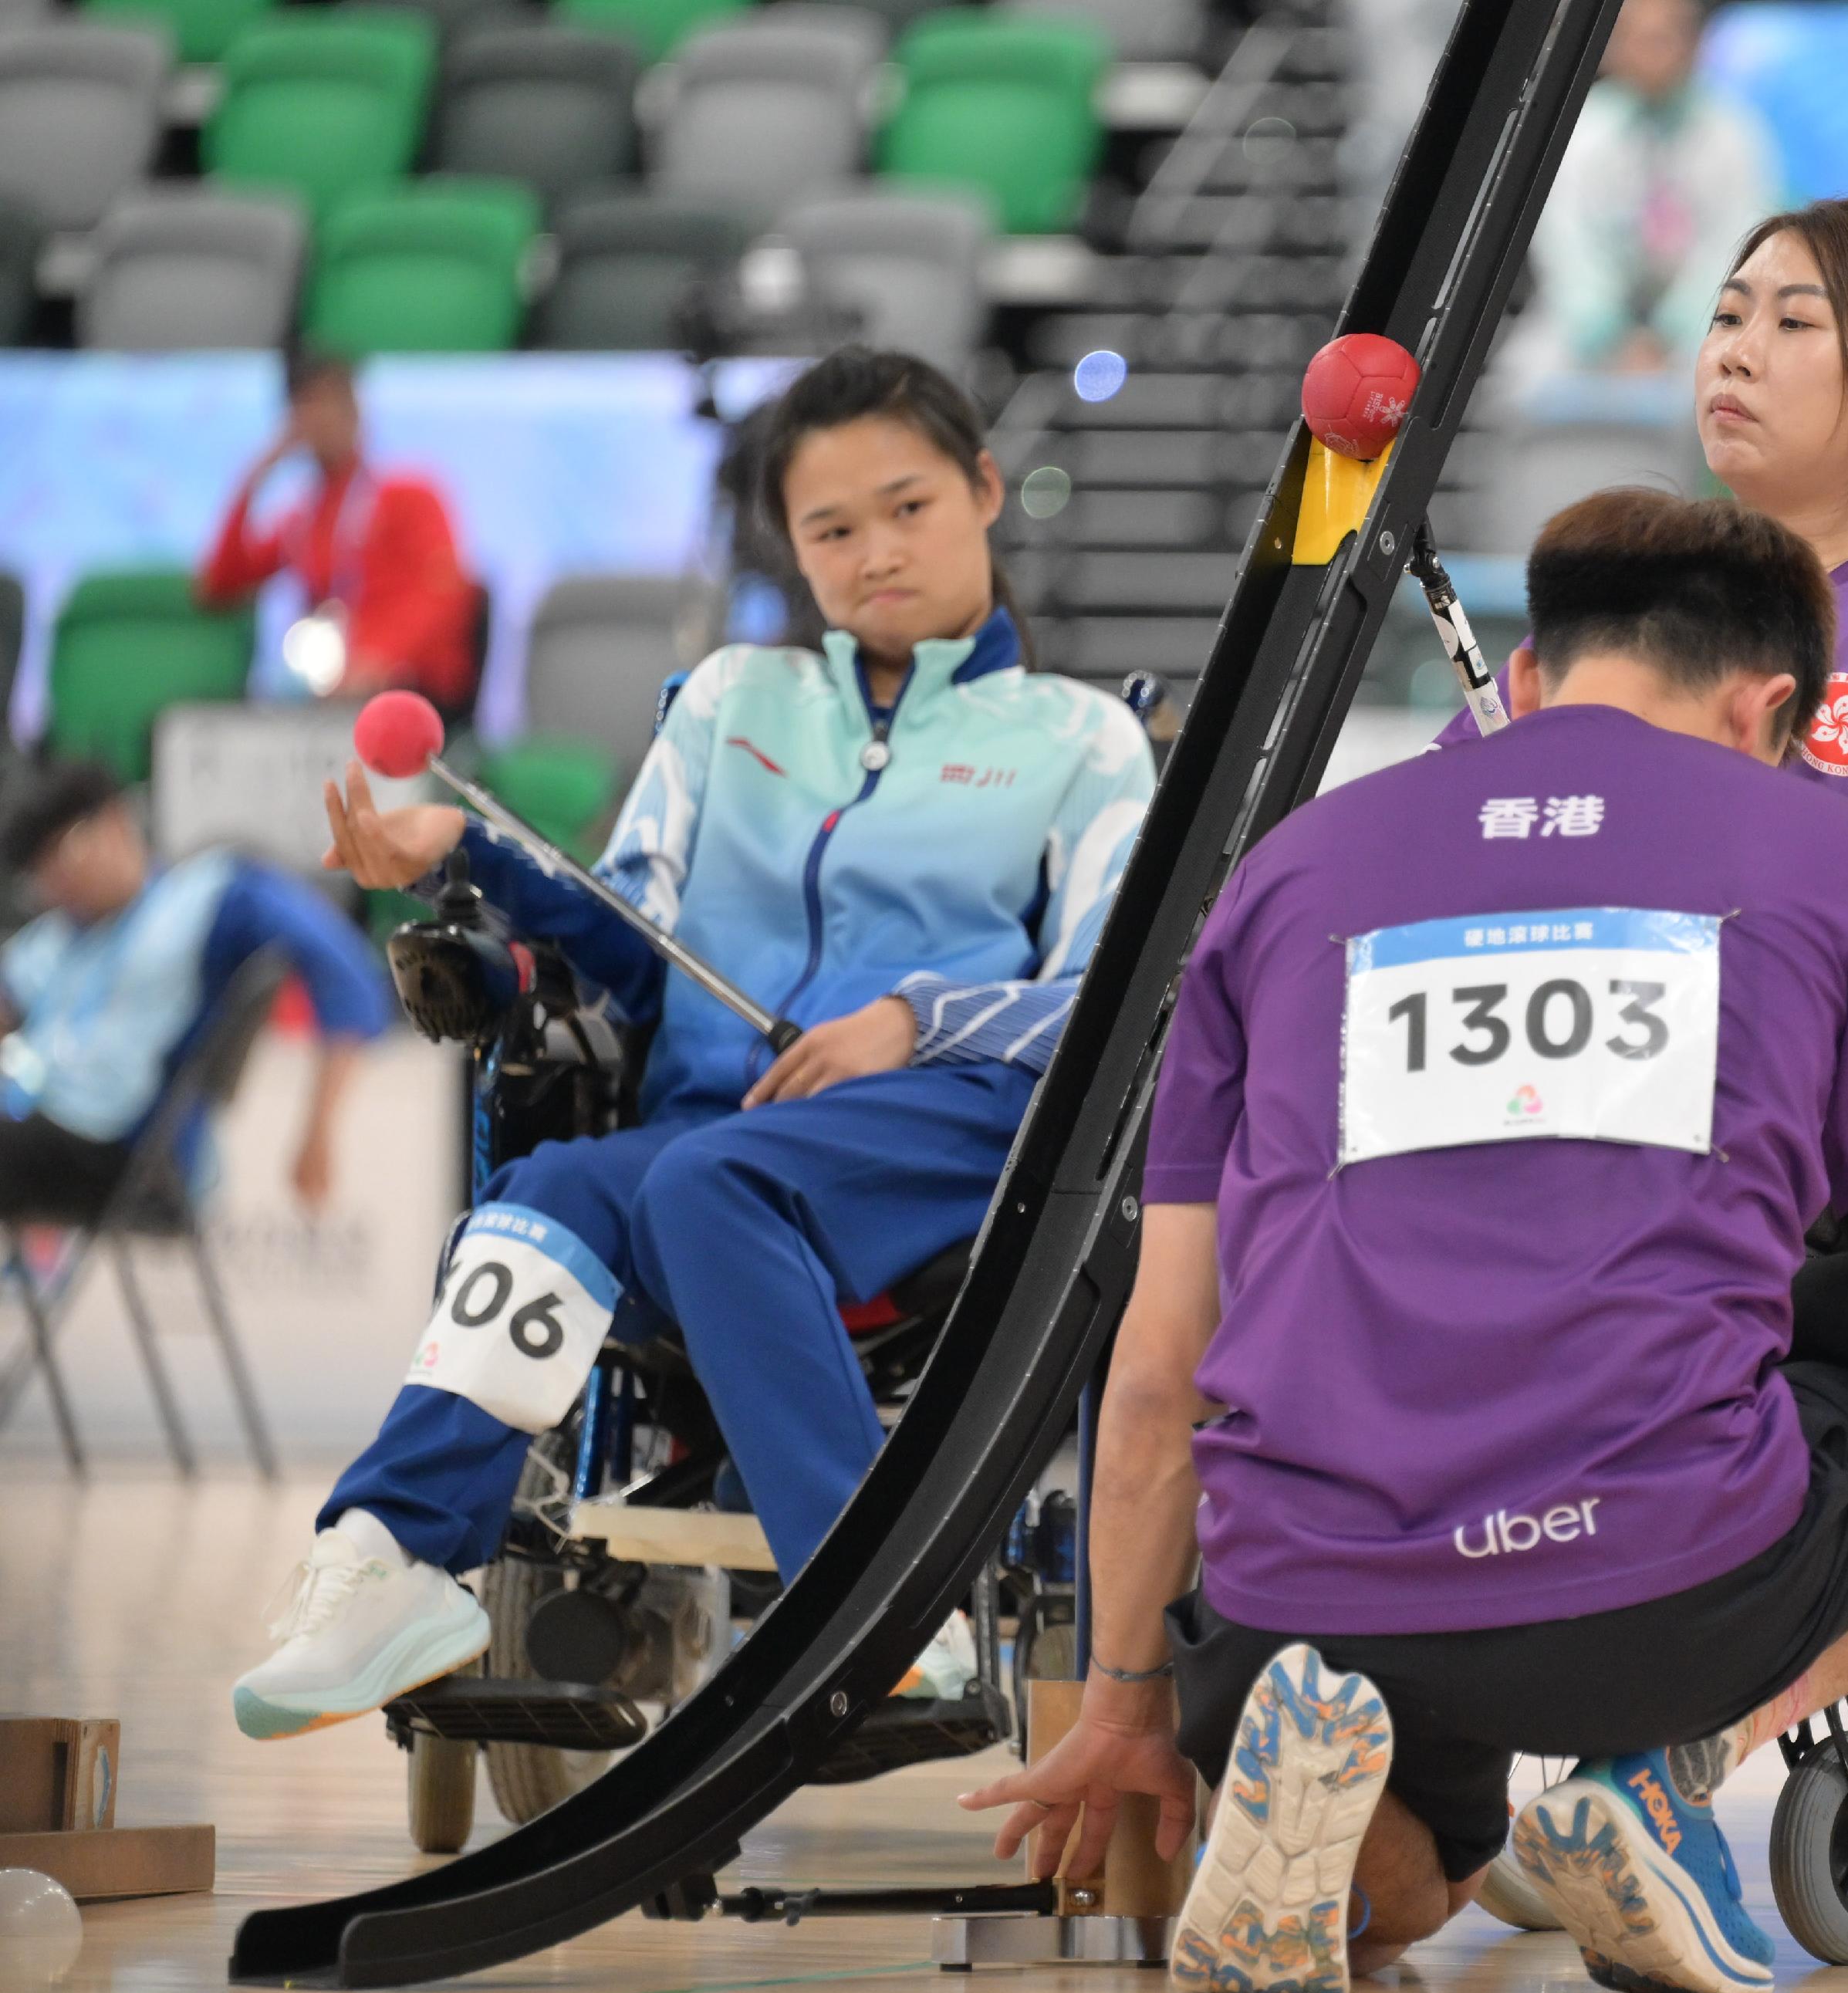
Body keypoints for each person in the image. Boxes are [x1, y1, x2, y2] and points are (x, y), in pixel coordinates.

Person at [959, 490, 1848, 1993]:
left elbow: (1158, 1356)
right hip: (1649, 1587)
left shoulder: (1287, 872)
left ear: (1522, 678)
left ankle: (1312, 1808)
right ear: (1770, 706)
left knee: (1415, 1890)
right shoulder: (1834, 860)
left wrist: (1130, 1692)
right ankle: (1655, 1776)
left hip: (1299, 1590)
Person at [230, 346, 1155, 1741]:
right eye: (832, 528)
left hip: (952, 1124)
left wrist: (914, 1019)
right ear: (791, 544)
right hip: (717, 1138)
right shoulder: (732, 703)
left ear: (980, 490)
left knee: (700, 1181)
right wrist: (460, 853)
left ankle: (882, 1606)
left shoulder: (1082, 737)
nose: (874, 554)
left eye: (906, 508)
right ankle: (392, 1557)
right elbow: (629, 932)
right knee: (543, 1199)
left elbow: (1111, 990)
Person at [1465, 198, 1848, 890]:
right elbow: (1454, 804)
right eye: (1728, 318)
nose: (1735, 356)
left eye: (1795, 321)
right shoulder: (1634, 575)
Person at [0, 761, 388, 1218]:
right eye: (39, 875)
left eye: (64, 853)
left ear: (115, 821)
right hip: (31, 1126)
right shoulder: (52, 941)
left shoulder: (211, 897)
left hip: (131, 1152)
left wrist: (318, 1130)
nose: (57, 884)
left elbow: (346, 974)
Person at [197, 346, 482, 720]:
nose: (321, 419)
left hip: (411, 692)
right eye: (307, 405)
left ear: (356, 411)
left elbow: (443, 593)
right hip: (335, 694)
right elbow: (219, 585)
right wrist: (257, 474)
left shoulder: (411, 495)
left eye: (331, 402)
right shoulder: (303, 520)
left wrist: (383, 657)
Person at [1520, 0, 1781, 377]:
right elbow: (1567, 244)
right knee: (1529, 378)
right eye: (1637, 40)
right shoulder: (1581, 131)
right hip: (1591, 328)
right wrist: (1605, 331)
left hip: (1699, 322)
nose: (1651, 54)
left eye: (1663, 39)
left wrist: (1677, 330)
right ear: (1613, 47)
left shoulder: (1734, 133)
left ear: (1693, 44)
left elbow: (1738, 240)